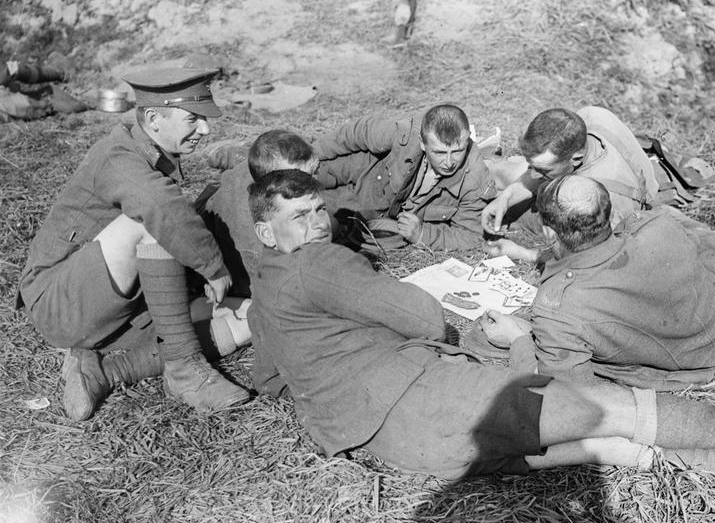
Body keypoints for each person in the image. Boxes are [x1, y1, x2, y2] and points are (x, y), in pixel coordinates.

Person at [245, 169, 715, 501]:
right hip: (423, 400)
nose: (317, 225)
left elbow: (270, 378)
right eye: (300, 217)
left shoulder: (264, 290)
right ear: (267, 231)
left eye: (318, 210)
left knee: (613, 448)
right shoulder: (318, 261)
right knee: (612, 411)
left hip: (399, 448)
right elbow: (422, 318)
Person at [15, 67, 250, 421]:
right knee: (150, 224)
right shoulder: (118, 157)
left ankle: (105, 369)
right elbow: (163, 209)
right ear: (153, 119)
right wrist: (213, 268)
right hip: (57, 302)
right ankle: (184, 370)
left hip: (111, 300)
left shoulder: (146, 153)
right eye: (193, 119)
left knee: (249, 315)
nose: (205, 129)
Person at [479, 175, 715, 389]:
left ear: (549, 233)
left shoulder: (558, 309)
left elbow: (567, 396)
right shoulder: (656, 225)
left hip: (689, 363)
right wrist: (526, 254)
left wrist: (517, 340)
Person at [314, 103, 496, 251]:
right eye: (439, 152)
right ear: (422, 143)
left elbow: (471, 235)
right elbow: (356, 133)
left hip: (363, 208)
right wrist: (311, 155)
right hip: (354, 168)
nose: (449, 163)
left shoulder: (475, 179)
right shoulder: (405, 133)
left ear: (467, 139)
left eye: (457, 151)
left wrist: (422, 234)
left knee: (319, 222)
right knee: (303, 181)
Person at [482, 107, 659, 242]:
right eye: (533, 166)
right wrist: (506, 198)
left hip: (616, 198)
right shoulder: (591, 115)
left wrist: (521, 253)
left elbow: (592, 252)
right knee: (506, 175)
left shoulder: (600, 198)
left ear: (576, 158)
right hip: (574, 169)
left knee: (526, 217)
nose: (534, 175)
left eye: (543, 170)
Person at [197, 129, 319, 298]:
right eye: (302, 180)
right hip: (220, 234)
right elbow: (266, 292)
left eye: (315, 172)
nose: (314, 183)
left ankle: (232, 155)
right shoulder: (254, 231)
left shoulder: (266, 170)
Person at [0, 58, 87, 121]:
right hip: (43, 100)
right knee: (12, 71)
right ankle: (60, 73)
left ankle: (58, 75)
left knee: (12, 72)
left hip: (32, 108)